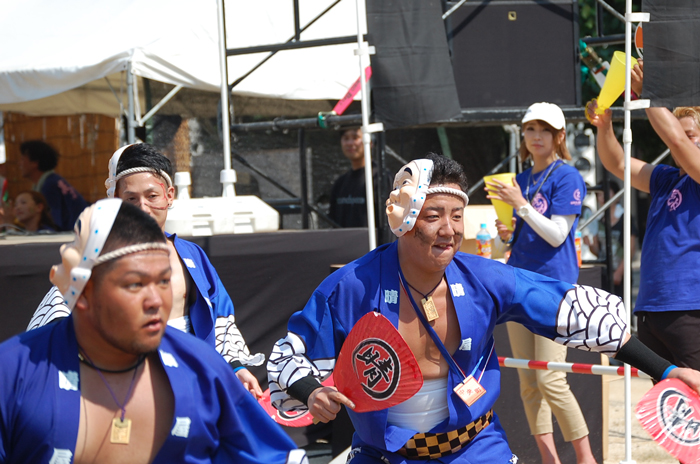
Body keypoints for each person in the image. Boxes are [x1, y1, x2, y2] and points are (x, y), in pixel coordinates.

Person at [267, 153, 700, 464]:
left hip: (477, 448)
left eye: (457, 216)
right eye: (434, 215)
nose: (449, 230)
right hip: (385, 453)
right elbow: (291, 356)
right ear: (401, 217)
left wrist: (663, 370)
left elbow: (578, 315)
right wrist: (312, 391)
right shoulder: (351, 285)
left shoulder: (484, 278)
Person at [0, 199, 306, 464]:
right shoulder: (14, 371)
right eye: (135, 284)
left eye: (163, 281)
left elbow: (271, 455)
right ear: (84, 291)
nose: (156, 301)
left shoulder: (200, 366)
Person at [27, 143, 265, 398]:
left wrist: (236, 367)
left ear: (169, 195)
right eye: (131, 199)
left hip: (192, 385)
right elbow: (52, 322)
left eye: (152, 196)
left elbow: (220, 322)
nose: (142, 208)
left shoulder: (192, 255)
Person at [485, 102, 595, 464]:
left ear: (559, 136)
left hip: (553, 289)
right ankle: (549, 459)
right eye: (530, 129)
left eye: (543, 130)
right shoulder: (522, 178)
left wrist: (522, 207)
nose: (535, 136)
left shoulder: (567, 176)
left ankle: (586, 458)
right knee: (528, 383)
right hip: (518, 282)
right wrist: (506, 233)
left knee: (551, 379)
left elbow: (557, 234)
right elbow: (516, 240)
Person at [587, 60, 700, 371]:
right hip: (652, 308)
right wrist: (604, 125)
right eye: (684, 134)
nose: (682, 141)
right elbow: (618, 164)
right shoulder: (666, 177)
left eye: (692, 135)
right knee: (669, 410)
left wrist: (645, 93)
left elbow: (675, 139)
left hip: (691, 309)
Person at [583, 181, 638, 297]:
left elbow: (631, 248)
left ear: (617, 196)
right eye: (599, 195)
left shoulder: (625, 218)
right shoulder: (598, 220)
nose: (602, 198)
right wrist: (590, 245)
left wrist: (619, 272)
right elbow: (598, 252)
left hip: (622, 275)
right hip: (603, 275)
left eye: (606, 193)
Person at [19, 140, 89, 231]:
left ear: (34, 163)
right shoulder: (53, 180)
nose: (19, 163)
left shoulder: (49, 186)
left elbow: (53, 225)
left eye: (22, 159)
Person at [328, 127, 391, 228]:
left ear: (370, 142)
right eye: (346, 138)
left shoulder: (381, 178)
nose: (350, 143)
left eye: (355, 137)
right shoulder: (340, 183)